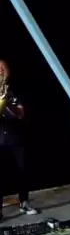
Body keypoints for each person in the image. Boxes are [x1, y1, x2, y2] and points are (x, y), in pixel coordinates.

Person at [0, 59, 38, 221]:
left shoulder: (14, 91)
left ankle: (24, 202)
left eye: (3, 67)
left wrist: (8, 103)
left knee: (23, 169)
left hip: (15, 137)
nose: (1, 70)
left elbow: (21, 114)